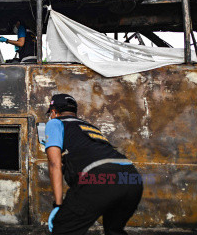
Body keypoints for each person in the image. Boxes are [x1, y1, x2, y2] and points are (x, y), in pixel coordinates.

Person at [44, 94, 143, 235]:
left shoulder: (54, 123)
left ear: (53, 112)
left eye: (51, 114)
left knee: (63, 229)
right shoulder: (89, 127)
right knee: (114, 230)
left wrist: (58, 205)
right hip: (131, 178)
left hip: (99, 178)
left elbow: (55, 164)